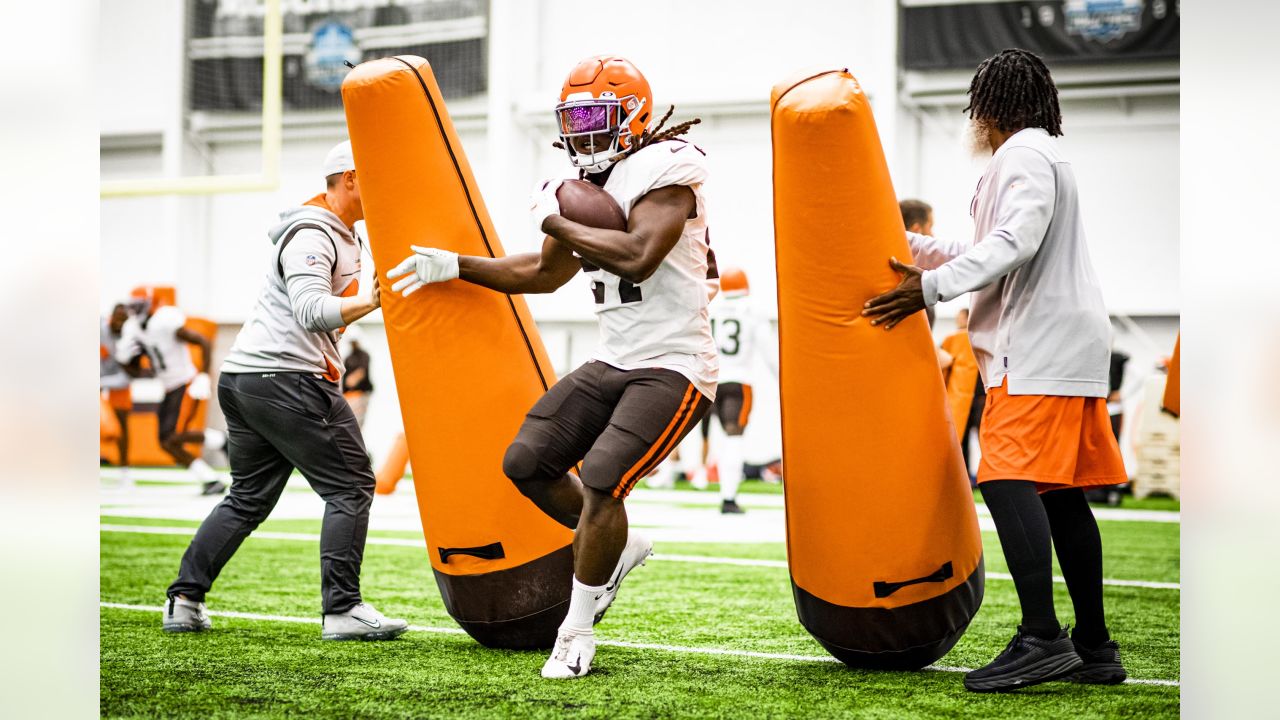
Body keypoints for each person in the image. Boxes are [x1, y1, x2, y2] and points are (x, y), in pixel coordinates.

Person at [388, 55, 716, 679]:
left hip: (675, 363)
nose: (585, 131)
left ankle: (577, 629)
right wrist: (456, 266)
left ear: (634, 116)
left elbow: (639, 255)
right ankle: (614, 550)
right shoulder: (586, 190)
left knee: (601, 478)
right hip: (614, 357)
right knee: (526, 461)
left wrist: (553, 217)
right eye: (576, 118)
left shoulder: (668, 168)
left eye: (598, 116)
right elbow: (541, 274)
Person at [861, 48, 1127, 692]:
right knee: (1058, 494)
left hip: (1036, 345)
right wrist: (910, 248)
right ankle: (1093, 644)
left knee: (1006, 480)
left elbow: (1016, 243)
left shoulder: (1024, 155)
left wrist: (927, 291)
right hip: (1060, 341)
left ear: (990, 109)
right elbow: (990, 243)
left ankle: (1042, 636)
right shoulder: (1034, 155)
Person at [162, 140, 408, 641]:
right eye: (376, 176)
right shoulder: (312, 235)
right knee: (352, 485)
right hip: (283, 378)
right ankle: (342, 609)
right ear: (351, 178)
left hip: (251, 378)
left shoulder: (340, 233)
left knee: (248, 498)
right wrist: (369, 302)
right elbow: (310, 309)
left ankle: (184, 600)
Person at [116, 291, 225, 496]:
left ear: (150, 304)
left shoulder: (164, 321)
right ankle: (218, 449)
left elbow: (203, 341)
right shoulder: (133, 329)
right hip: (168, 386)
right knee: (166, 440)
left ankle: (212, 473)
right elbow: (137, 371)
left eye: (138, 304)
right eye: (132, 305)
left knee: (170, 438)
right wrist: (124, 362)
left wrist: (203, 375)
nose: (134, 310)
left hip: (185, 381)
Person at [941, 308, 985, 482]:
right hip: (971, 396)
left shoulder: (959, 339)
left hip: (976, 396)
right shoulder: (971, 339)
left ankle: (969, 477)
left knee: (971, 438)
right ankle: (970, 477)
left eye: (961, 317)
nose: (958, 321)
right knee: (968, 438)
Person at [101, 303, 134, 484]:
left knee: (122, 425)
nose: (120, 323)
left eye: (124, 319)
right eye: (118, 318)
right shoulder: (99, 328)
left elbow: (127, 377)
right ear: (111, 316)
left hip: (116, 381)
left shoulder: (131, 338)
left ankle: (124, 470)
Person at [341, 326, 374, 428]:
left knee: (358, 423)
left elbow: (362, 372)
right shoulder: (348, 358)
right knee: (351, 423)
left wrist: (353, 379)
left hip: (361, 394)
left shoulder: (364, 355)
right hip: (350, 395)